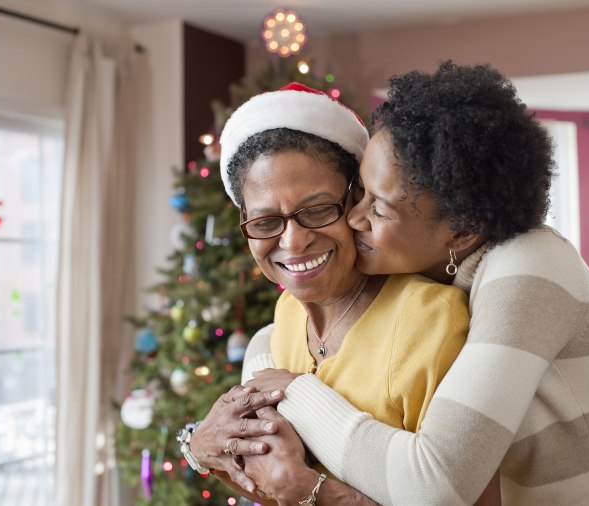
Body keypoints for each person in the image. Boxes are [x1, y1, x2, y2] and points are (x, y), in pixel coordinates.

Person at [203, 61, 589, 505]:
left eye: (377, 207)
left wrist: (294, 391)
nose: (355, 217)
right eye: (359, 192)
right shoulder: (432, 259)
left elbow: (434, 485)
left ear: (460, 229)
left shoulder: (529, 265)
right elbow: (278, 330)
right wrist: (234, 411)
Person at [186, 82, 501, 505]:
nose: (293, 243)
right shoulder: (287, 315)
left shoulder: (430, 318)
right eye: (265, 222)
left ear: (356, 198)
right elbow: (272, 482)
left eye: (317, 210)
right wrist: (199, 447)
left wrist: (312, 492)